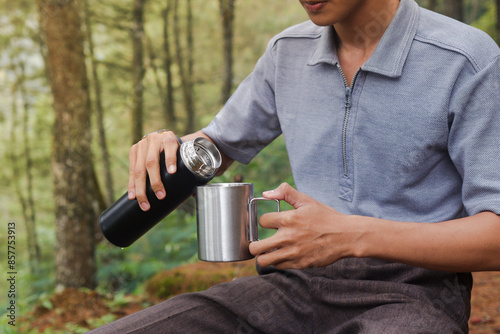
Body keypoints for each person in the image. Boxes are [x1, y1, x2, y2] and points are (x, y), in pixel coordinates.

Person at [90, 0, 500, 332]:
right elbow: (218, 143)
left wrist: (351, 235)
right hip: (294, 287)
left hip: (414, 294)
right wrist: (172, 147)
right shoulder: (287, 52)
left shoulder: (466, 59)